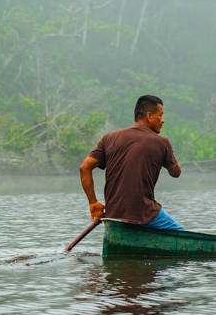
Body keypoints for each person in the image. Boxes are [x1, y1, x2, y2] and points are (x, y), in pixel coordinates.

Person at [79, 94, 184, 231]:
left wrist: (93, 203)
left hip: (113, 214)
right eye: (160, 115)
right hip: (144, 214)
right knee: (182, 234)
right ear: (149, 116)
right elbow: (175, 173)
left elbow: (84, 167)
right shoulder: (162, 142)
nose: (163, 120)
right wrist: (170, 155)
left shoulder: (109, 138)